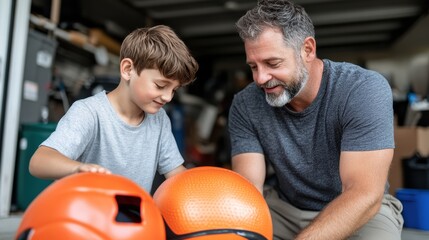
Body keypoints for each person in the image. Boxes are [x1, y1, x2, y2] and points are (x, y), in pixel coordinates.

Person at [228, 1, 403, 239]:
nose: (260, 78)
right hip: (283, 211)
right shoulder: (246, 103)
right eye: (253, 66)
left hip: (360, 209)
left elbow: (363, 193)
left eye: (272, 63)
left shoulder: (362, 89)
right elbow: (249, 190)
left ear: (308, 50)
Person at [29, 25, 199, 193]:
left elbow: (176, 176)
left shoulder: (159, 120)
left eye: (174, 90)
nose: (168, 97)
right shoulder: (89, 112)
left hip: (132, 217)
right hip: (86, 217)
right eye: (160, 85)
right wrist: (79, 169)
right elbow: (39, 161)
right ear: (127, 70)